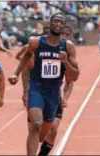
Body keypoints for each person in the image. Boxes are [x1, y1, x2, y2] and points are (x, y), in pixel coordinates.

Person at [8, 13, 79, 155]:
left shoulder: (68, 47)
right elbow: (26, 57)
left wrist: (65, 62)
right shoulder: (36, 42)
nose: (58, 24)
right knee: (36, 124)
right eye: (55, 21)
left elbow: (75, 76)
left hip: (53, 92)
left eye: (61, 22)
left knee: (42, 135)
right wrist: (16, 73)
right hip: (36, 87)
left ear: (63, 26)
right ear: (50, 24)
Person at [38, 25, 77, 156]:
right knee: (40, 131)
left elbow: (70, 81)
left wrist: (65, 97)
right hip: (39, 94)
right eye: (63, 34)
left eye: (67, 35)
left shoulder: (68, 53)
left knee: (53, 129)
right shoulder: (44, 49)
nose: (64, 37)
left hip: (55, 97)